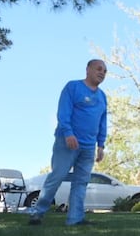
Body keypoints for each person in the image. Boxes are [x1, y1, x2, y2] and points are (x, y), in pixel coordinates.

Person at [29, 59, 108, 226]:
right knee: (57, 176)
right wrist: (68, 133)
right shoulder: (73, 87)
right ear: (88, 69)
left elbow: (102, 121)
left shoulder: (102, 97)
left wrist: (101, 145)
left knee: (81, 182)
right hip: (67, 142)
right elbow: (63, 112)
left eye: (105, 71)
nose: (102, 73)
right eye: (99, 69)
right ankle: (37, 213)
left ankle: (75, 218)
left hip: (88, 146)